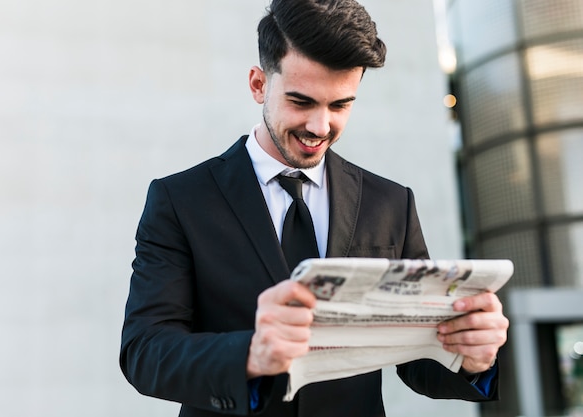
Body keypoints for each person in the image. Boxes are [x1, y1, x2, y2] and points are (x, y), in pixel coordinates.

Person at [120, 1, 509, 416]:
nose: (321, 127)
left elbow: (417, 359)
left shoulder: (392, 203)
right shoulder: (181, 200)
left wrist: (469, 359)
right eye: (301, 101)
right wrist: (250, 355)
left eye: (340, 105)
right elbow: (145, 350)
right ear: (258, 84)